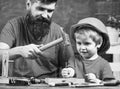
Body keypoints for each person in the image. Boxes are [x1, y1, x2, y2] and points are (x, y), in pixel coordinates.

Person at [0, 0, 74, 78]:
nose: (45, 15)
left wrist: (70, 70)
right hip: (17, 84)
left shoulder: (59, 32)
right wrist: (20, 50)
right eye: (41, 9)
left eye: (50, 11)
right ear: (28, 5)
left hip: (49, 85)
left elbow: (71, 63)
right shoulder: (13, 26)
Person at [61, 17, 115, 83]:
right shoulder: (73, 60)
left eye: (87, 43)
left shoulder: (104, 64)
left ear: (98, 43)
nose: (82, 47)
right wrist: (68, 72)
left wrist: (97, 81)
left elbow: (110, 84)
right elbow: (71, 69)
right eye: (79, 43)